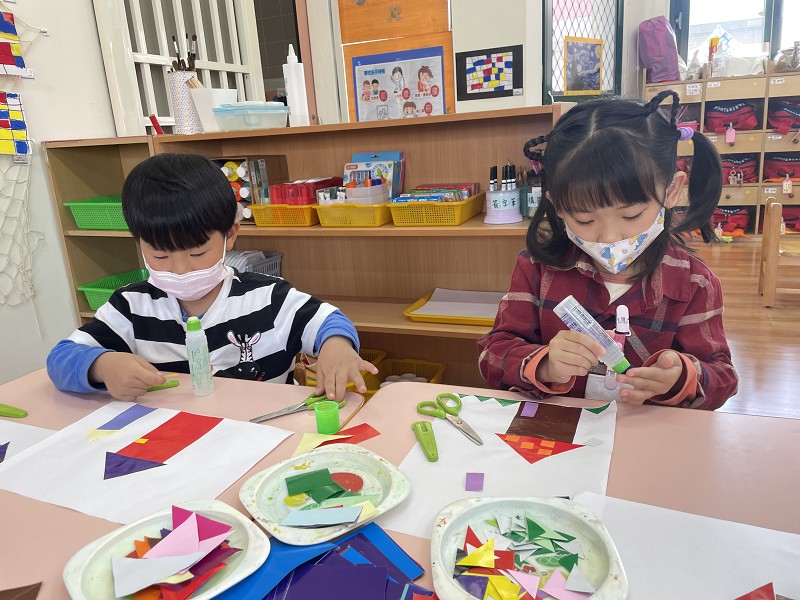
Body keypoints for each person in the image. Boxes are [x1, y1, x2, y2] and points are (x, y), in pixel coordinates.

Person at [477, 91, 738, 410]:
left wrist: (682, 377)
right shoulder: (537, 268)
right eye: (584, 220)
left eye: (631, 215)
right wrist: (545, 364)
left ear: (671, 191)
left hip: (643, 431)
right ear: (557, 206)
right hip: (558, 430)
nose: (609, 237)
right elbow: (492, 353)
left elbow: (723, 377)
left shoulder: (694, 283)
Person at [47, 153, 377, 402]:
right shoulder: (132, 306)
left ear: (230, 235)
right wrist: (102, 366)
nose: (179, 269)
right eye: (160, 256)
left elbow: (328, 321)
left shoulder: (268, 298)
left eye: (196, 254)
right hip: (177, 442)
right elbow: (61, 358)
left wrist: (336, 345)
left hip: (263, 434)